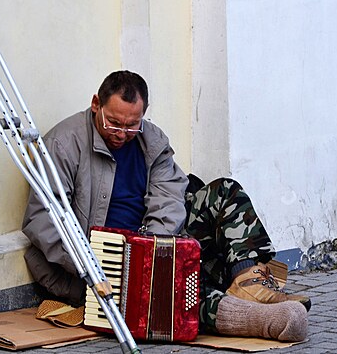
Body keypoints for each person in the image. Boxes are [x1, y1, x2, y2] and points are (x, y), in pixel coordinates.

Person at [22, 70, 309, 342]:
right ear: (96, 104)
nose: (121, 133)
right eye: (113, 123)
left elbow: (170, 197)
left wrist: (155, 250)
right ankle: (255, 318)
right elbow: (42, 219)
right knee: (168, 296)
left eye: (132, 125)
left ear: (143, 115)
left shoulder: (152, 141)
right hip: (99, 263)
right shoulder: (63, 144)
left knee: (224, 191)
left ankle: (250, 285)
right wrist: (92, 265)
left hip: (154, 241)